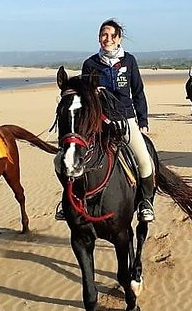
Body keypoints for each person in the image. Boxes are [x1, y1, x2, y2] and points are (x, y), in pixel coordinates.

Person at [55, 19, 156, 222]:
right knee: (61, 160)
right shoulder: (90, 64)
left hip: (125, 120)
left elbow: (138, 92)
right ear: (98, 38)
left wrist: (142, 120)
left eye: (111, 35)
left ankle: (145, 202)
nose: (107, 39)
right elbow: (82, 97)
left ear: (119, 39)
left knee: (145, 162)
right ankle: (68, 199)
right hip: (99, 122)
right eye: (103, 35)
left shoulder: (129, 62)